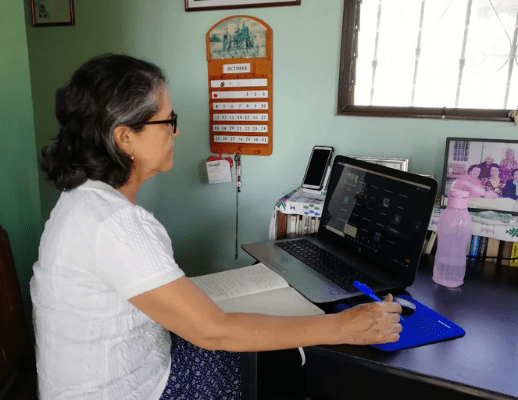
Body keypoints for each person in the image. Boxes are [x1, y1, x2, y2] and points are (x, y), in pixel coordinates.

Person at [30, 54, 402, 400]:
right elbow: (213, 330)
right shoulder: (112, 222)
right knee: (272, 362)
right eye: (168, 121)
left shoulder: (85, 200)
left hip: (109, 377)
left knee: (260, 343)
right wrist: (342, 328)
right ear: (125, 137)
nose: (175, 133)